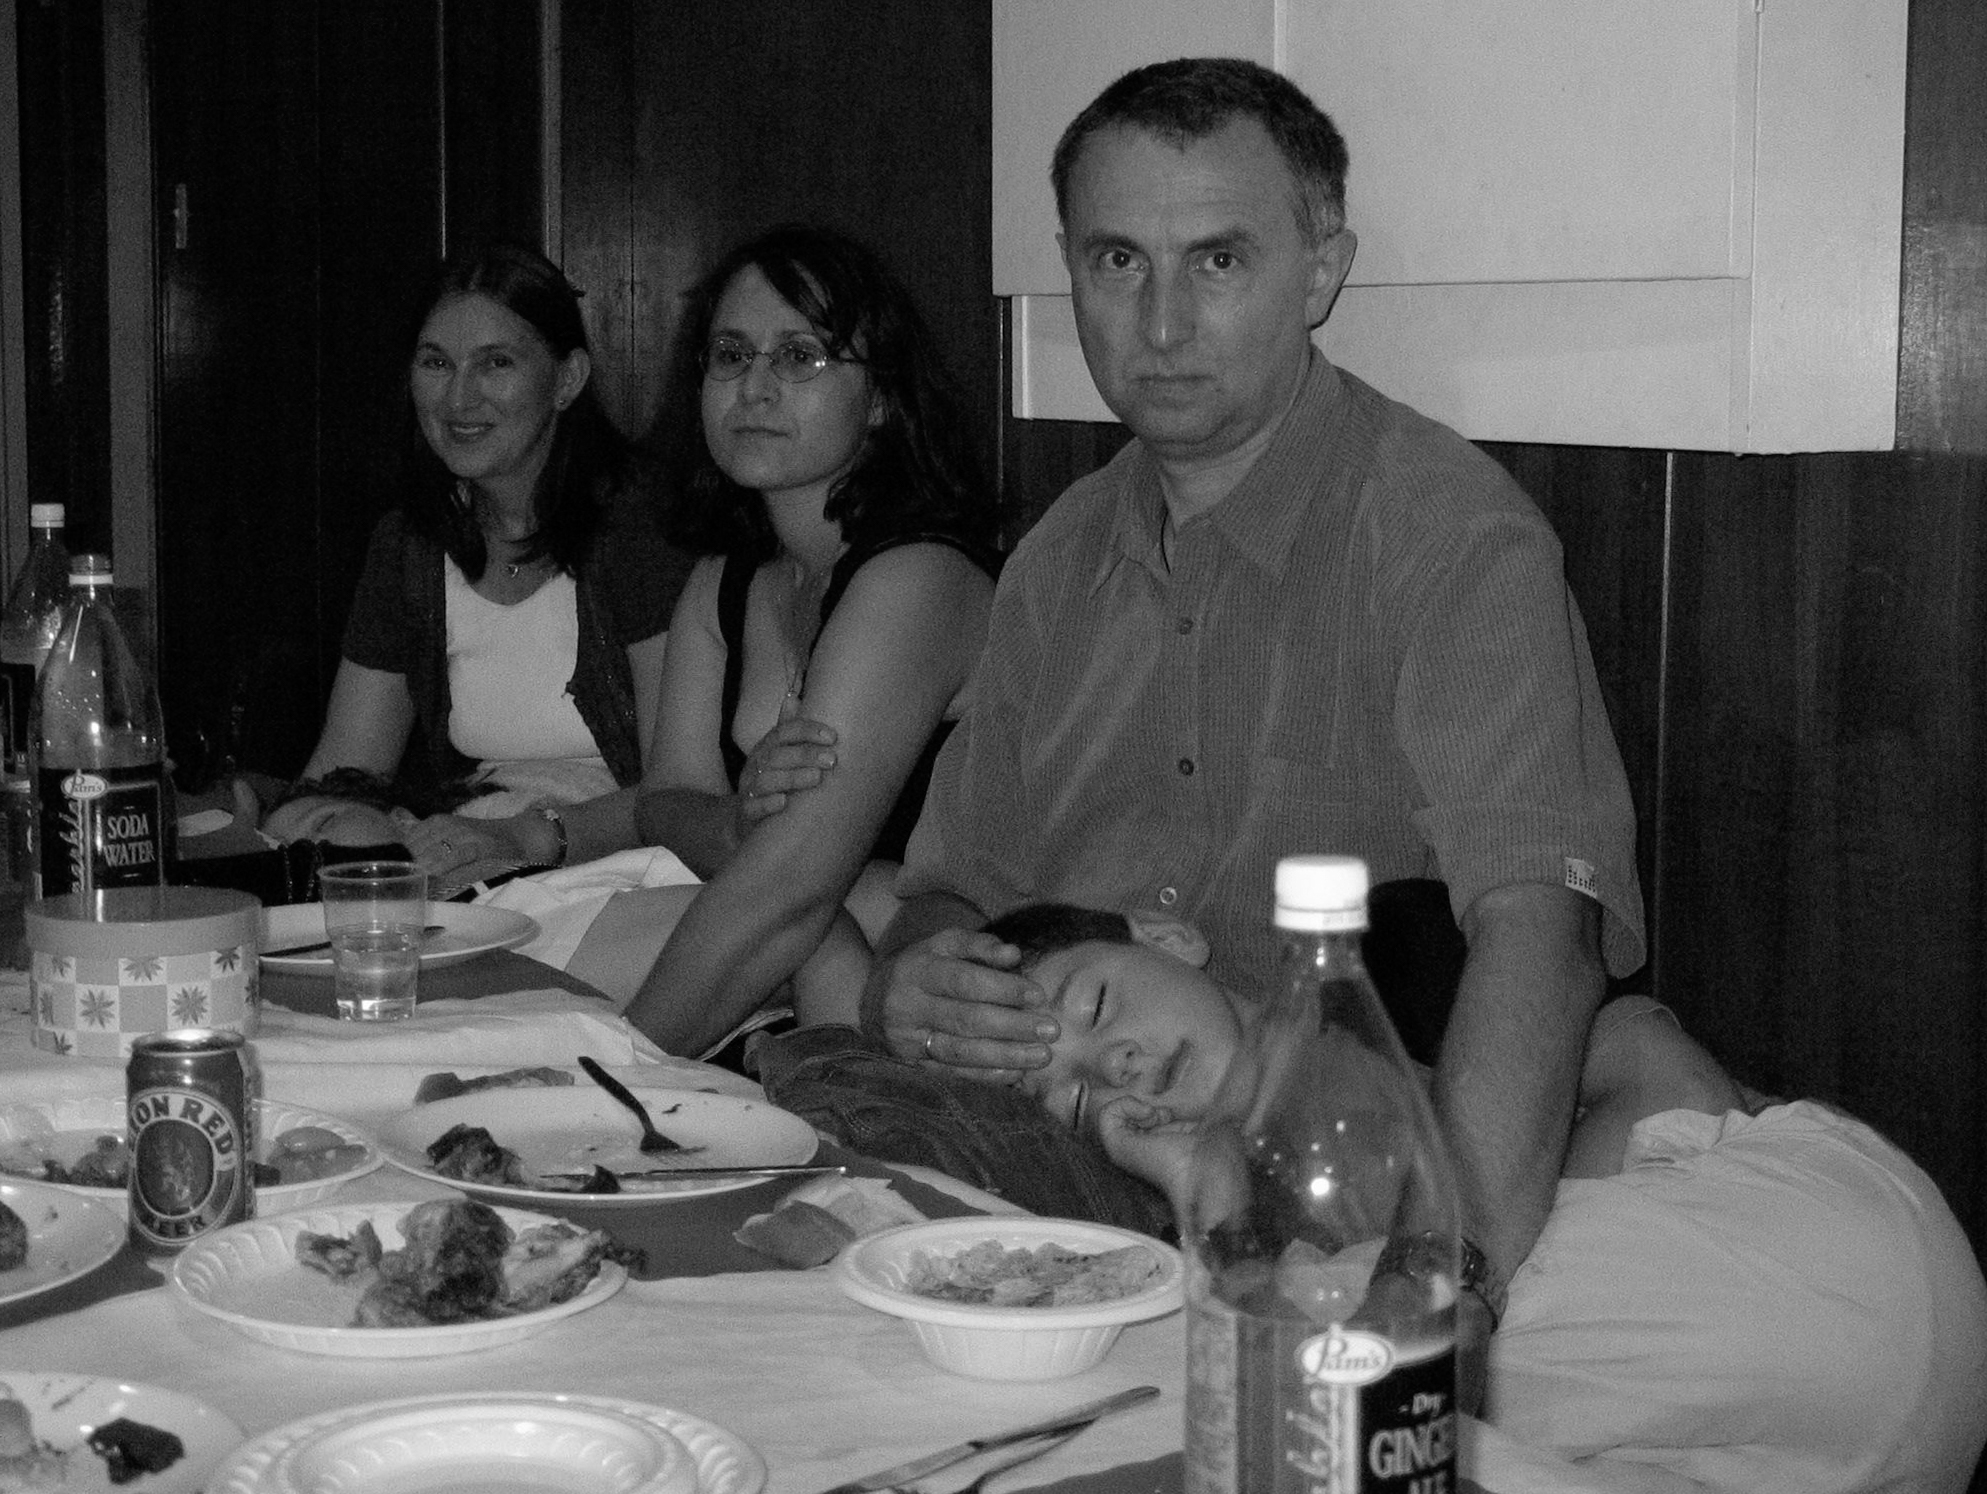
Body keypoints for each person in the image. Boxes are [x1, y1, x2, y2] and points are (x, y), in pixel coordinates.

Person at [857, 56, 1646, 1386]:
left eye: (1216, 261)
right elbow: (950, 893)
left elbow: (1540, 935)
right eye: (1116, 262)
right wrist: (912, 982)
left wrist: (1429, 1291)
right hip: (1081, 1178)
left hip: (1359, 1198)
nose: (1159, 322)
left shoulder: (1449, 539)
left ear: (1319, 271)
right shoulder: (1055, 562)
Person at [959, 902, 1987, 1494]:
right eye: (1082, 1099)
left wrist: (1222, 1198)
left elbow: (1643, 1048)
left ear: (1166, 934)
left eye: (1096, 1005)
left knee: (1317, 1371)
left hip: (1833, 1243)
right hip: (1823, 1448)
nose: (1118, 1063)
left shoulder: (1396, 1066)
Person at [619, 225, 999, 1057]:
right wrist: (736, 824)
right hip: (811, 957)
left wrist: (607, 1073)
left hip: (961, 988)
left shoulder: (918, 578)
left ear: (883, 398)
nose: (753, 388)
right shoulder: (724, 579)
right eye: (729, 355)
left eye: (799, 357)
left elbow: (789, 892)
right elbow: (664, 798)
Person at [262, 243, 693, 890]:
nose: (458, 397)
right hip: (479, 851)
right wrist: (292, 815)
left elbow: (682, 794)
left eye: (496, 363)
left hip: (630, 864)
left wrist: (524, 836)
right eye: (436, 362)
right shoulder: (408, 546)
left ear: (567, 380)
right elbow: (347, 769)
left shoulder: (642, 528)